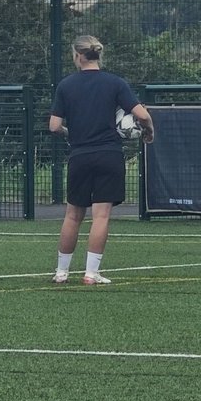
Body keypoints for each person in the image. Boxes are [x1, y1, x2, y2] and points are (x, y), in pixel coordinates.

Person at [49, 35, 154, 285]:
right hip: (109, 154)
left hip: (80, 155)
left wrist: (70, 133)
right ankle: (90, 273)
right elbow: (142, 114)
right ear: (98, 55)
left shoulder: (66, 85)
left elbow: (54, 126)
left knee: (73, 215)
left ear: (76, 56)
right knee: (101, 216)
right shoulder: (115, 83)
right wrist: (149, 131)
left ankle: (61, 272)